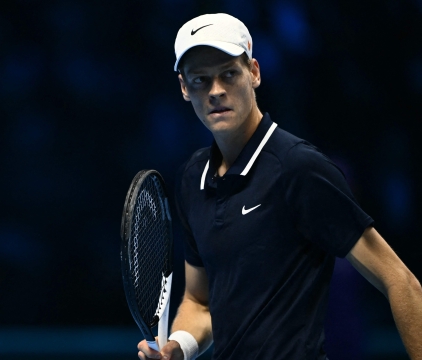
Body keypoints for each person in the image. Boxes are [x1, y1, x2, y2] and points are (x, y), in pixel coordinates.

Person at [137, 13, 422, 360]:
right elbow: (200, 302)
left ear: (254, 72)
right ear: (184, 87)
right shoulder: (192, 177)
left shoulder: (298, 168)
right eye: (200, 79)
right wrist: (178, 348)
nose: (215, 91)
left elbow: (400, 281)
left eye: (229, 73)